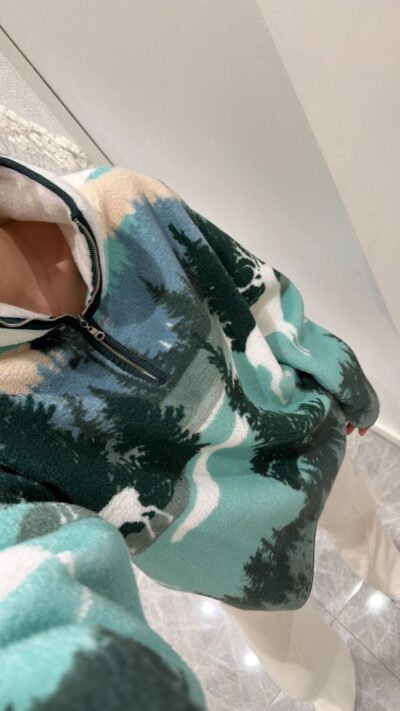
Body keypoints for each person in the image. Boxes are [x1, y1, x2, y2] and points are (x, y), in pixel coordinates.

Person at [0, 154, 397, 710]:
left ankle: (385, 571)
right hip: (213, 545)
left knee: (358, 521)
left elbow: (260, 292)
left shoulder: (126, 200)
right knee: (297, 657)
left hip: (303, 434)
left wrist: (342, 379)